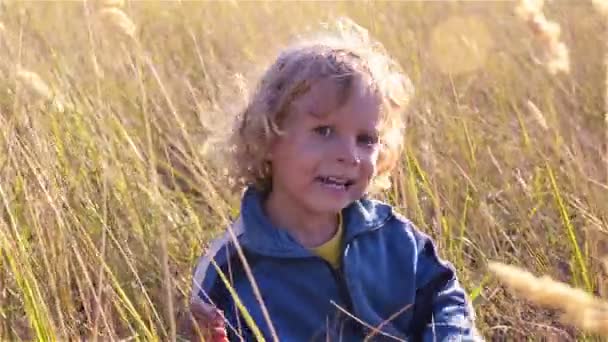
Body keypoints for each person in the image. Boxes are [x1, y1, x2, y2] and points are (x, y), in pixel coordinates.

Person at [185, 18, 478, 341]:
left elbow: (443, 296)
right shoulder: (233, 269)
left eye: (366, 139)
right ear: (268, 137)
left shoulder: (392, 236)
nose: (349, 155)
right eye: (324, 131)